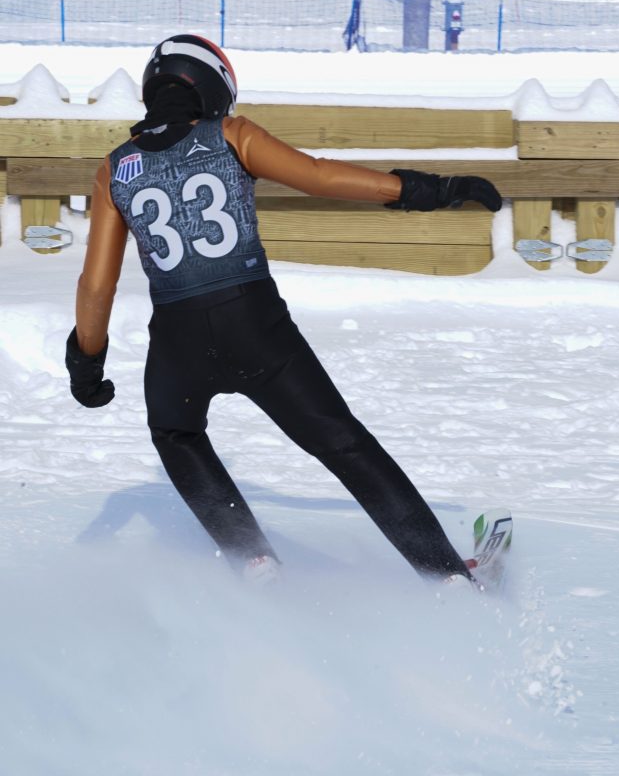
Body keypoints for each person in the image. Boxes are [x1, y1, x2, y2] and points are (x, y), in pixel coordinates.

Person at [65, 34, 502, 588]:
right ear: (212, 87)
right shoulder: (231, 134)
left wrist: (86, 361)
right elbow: (320, 176)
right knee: (343, 444)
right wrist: (428, 190)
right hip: (254, 326)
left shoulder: (116, 168)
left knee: (176, 433)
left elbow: (97, 285)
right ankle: (445, 574)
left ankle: (253, 559)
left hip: (177, 341)